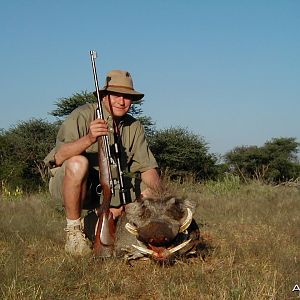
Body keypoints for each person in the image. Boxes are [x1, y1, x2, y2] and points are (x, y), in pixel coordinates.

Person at [44, 70, 160, 256]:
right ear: (104, 96)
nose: (122, 102)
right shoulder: (82, 115)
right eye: (116, 95)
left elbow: (148, 168)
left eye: (127, 97)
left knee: (152, 185)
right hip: (75, 185)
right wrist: (89, 138)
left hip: (112, 189)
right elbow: (58, 157)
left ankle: (110, 218)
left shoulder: (134, 126)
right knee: (78, 163)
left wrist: (159, 196)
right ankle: (73, 231)